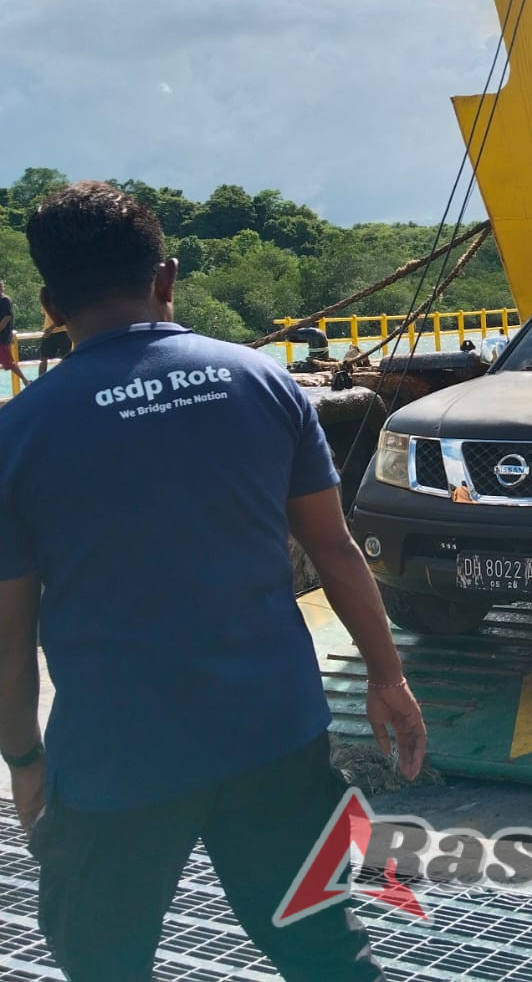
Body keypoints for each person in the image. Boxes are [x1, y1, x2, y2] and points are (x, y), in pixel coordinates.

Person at [0, 182, 427, 982]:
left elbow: (9, 631)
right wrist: (387, 676)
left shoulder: (17, 433)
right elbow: (335, 550)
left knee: (102, 960)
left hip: (115, 762)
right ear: (165, 277)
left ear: (51, 308)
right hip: (277, 737)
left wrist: (24, 760)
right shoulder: (261, 381)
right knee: (325, 950)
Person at [0, 280, 31, 391]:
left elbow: (7, 317)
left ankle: (26, 381)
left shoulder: (5, 300)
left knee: (8, 363)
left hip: (2, 338)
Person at [37, 305, 71, 377]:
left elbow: (62, 317)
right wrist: (46, 328)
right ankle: (41, 379)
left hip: (62, 332)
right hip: (48, 333)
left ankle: (68, 377)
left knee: (66, 357)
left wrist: (50, 328)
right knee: (43, 358)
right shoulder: (45, 302)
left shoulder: (60, 301)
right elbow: (45, 316)